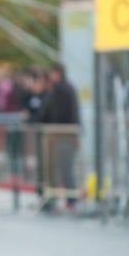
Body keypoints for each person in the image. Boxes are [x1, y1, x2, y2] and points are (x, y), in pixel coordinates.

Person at [37, 62, 80, 211]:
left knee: (62, 169)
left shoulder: (60, 90)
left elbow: (56, 113)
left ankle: (68, 199)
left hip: (61, 134)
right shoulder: (67, 89)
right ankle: (66, 199)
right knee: (62, 169)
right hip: (63, 134)